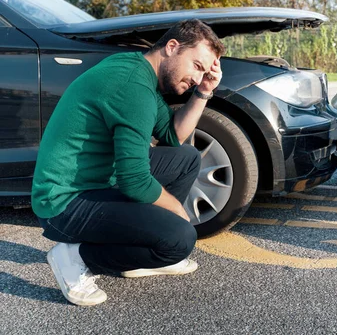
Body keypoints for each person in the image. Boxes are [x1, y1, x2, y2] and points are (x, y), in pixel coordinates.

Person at [32, 19, 226, 305]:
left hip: (97, 181)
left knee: (186, 158)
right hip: (63, 203)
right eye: (197, 66)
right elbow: (134, 181)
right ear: (172, 47)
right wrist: (175, 212)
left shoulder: (137, 69)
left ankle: (146, 244)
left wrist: (204, 92)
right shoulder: (132, 87)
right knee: (180, 239)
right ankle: (75, 257)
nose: (197, 78)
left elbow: (173, 136)